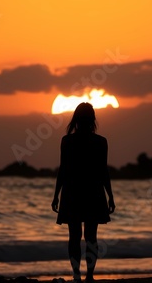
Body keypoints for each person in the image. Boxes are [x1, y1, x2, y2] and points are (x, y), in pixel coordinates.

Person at [51, 102, 115, 283]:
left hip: (73, 192)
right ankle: (89, 275)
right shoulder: (100, 142)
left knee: (75, 236)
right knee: (91, 236)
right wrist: (110, 195)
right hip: (93, 191)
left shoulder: (68, 141)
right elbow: (104, 171)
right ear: (93, 119)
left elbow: (62, 170)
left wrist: (56, 194)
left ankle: (77, 275)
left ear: (76, 119)